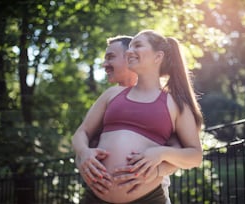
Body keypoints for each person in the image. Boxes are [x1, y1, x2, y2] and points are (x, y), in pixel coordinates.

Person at [72, 29, 203, 203]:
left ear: (158, 57)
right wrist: (84, 152)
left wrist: (160, 153)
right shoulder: (112, 94)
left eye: (138, 45)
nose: (129, 51)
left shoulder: (175, 103)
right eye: (130, 46)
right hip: (95, 197)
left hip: (147, 199)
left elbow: (195, 155)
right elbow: (82, 133)